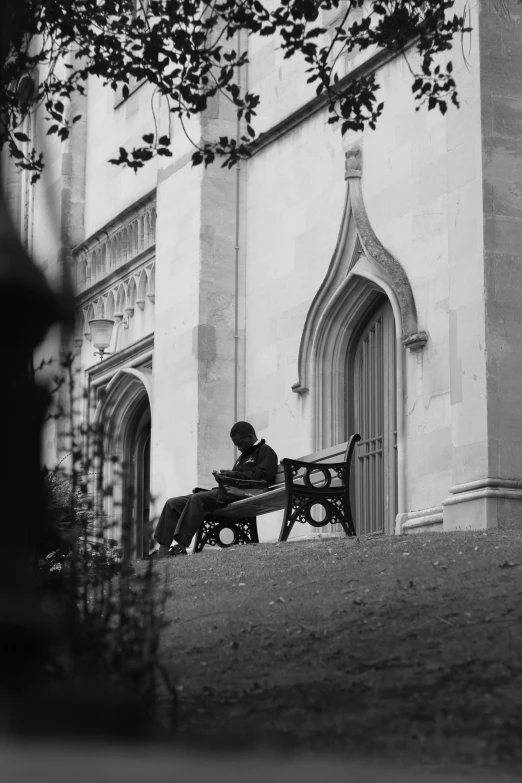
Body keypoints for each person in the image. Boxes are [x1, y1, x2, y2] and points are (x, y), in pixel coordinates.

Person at [152, 421, 278, 557]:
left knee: (197, 499)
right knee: (173, 503)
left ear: (250, 436)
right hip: (227, 492)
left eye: (240, 444)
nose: (239, 448)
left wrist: (232, 475)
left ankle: (180, 547)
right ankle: (163, 550)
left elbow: (262, 478)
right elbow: (236, 479)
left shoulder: (266, 451)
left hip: (245, 495)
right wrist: (223, 478)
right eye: (236, 445)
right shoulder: (242, 457)